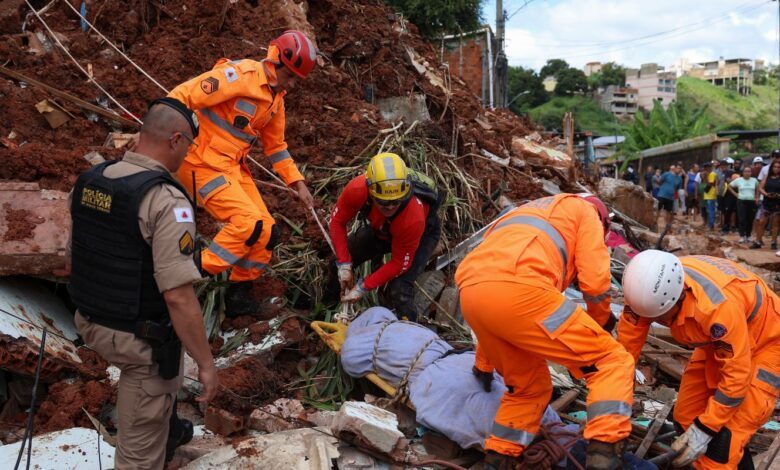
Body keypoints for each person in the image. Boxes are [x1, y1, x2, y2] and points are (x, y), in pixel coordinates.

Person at [68, 100, 219, 469]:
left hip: (90, 316)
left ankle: (169, 431)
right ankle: (152, 439)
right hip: (135, 338)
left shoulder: (92, 180)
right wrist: (205, 363)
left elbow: (76, 251)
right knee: (138, 454)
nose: (186, 155)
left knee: (159, 387)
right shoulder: (165, 201)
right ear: (176, 140)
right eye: (187, 147)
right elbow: (178, 296)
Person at [455, 193, 635, 470]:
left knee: (528, 389)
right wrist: (601, 323)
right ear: (603, 222)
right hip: (524, 290)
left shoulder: (525, 212)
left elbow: (496, 300)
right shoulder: (585, 212)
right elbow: (595, 283)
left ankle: (498, 459)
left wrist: (484, 364)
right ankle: (604, 454)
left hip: (471, 291)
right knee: (611, 362)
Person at [167, 30, 317, 316]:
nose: (294, 84)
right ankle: (182, 273)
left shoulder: (276, 100)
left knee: (267, 231)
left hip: (231, 167)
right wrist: (161, 133)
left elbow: (277, 147)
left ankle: (238, 296)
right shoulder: (240, 76)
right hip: (200, 161)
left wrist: (297, 183)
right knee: (248, 225)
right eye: (291, 77)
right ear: (276, 62)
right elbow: (183, 95)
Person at [618, 251, 780, 469]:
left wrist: (705, 430)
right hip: (717, 341)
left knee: (723, 444)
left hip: (767, 340)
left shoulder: (717, 309)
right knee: (686, 417)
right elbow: (624, 356)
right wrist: (614, 412)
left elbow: (736, 380)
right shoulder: (641, 294)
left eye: (661, 317)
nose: (656, 322)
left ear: (679, 296)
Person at [329, 153, 441, 321]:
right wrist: (344, 264)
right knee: (335, 262)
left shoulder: (412, 217)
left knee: (399, 290)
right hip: (381, 229)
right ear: (371, 192)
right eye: (383, 202)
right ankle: (327, 307)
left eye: (396, 201)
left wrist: (363, 286)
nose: (390, 207)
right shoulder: (357, 189)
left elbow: (399, 263)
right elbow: (337, 222)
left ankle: (409, 331)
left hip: (418, 235)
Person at [752, 159, 780, 250]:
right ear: (772, 168)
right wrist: (766, 194)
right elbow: (760, 187)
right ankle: (758, 241)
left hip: (778, 203)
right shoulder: (767, 176)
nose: (776, 169)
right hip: (766, 202)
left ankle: (773, 242)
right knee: (761, 222)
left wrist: (778, 195)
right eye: (774, 167)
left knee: (775, 223)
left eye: (778, 167)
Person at [729, 167, 759, 243]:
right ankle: (742, 236)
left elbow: (758, 188)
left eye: (749, 171)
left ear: (751, 173)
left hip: (751, 201)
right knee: (742, 219)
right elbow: (729, 186)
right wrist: (736, 194)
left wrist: (757, 197)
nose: (747, 173)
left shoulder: (754, 180)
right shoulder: (739, 180)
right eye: (745, 171)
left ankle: (748, 235)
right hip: (741, 201)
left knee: (750, 219)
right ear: (743, 172)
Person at [657, 164, 680, 230]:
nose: (679, 170)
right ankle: (654, 223)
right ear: (674, 168)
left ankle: (667, 227)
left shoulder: (679, 178)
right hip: (661, 195)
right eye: (678, 168)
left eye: (680, 169)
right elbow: (660, 181)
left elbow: (677, 188)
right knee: (658, 209)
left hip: (670, 197)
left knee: (668, 212)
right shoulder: (666, 174)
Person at [699, 163, 717, 230]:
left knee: (710, 211)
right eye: (705, 167)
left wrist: (706, 177)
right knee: (709, 211)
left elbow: (710, 183)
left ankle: (711, 226)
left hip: (711, 195)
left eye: (707, 167)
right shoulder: (708, 174)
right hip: (707, 196)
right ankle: (710, 225)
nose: (706, 169)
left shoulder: (712, 174)